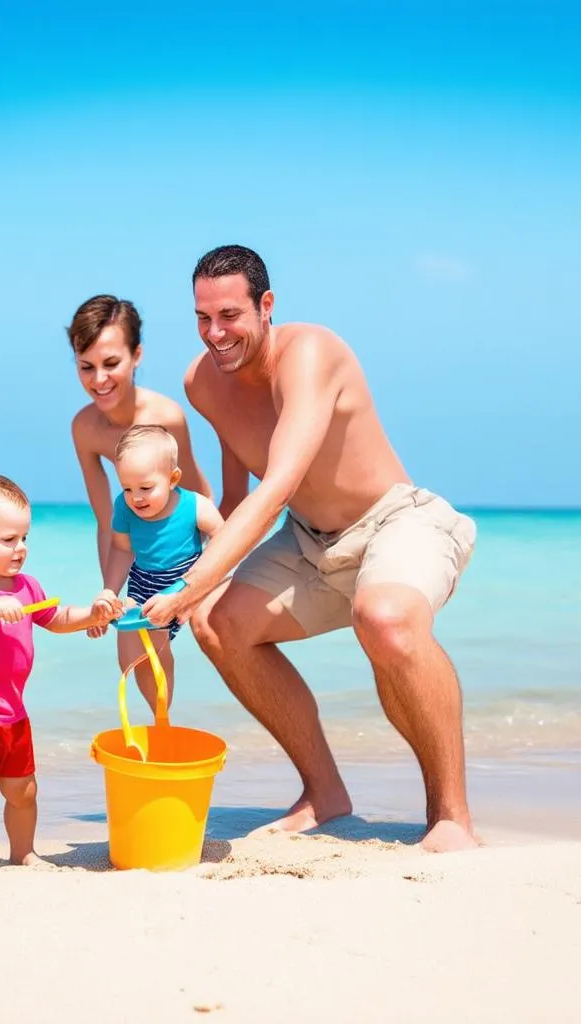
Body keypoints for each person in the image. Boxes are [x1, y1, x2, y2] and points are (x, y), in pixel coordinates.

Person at [142, 245, 478, 853]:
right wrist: (202, 582)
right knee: (216, 623)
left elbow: (276, 488)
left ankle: (450, 816)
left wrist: (188, 585)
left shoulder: (311, 354)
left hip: (395, 521)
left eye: (230, 315)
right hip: (309, 539)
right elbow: (238, 483)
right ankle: (324, 794)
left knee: (386, 620)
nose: (215, 333)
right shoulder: (202, 382)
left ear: (266, 306)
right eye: (201, 317)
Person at [0, 473, 120, 876]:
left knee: (24, 791)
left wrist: (93, 613)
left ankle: (23, 854)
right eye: (8, 540)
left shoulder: (27, 586)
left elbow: (56, 617)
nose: (20, 549)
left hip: (13, 713)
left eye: (24, 538)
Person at [68, 294, 216, 706]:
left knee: (203, 634)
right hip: (140, 560)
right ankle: (162, 726)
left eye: (111, 363)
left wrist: (198, 584)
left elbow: (197, 496)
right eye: (86, 366)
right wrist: (109, 595)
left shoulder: (166, 417)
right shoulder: (85, 429)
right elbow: (107, 521)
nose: (99, 379)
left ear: (137, 355)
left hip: (189, 553)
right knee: (130, 654)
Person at [95, 425, 223, 707]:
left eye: (146, 487)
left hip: (183, 582)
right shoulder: (125, 507)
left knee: (156, 644)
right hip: (142, 581)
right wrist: (109, 590)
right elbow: (121, 548)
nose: (136, 497)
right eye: (127, 488)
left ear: (172, 478)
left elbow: (223, 538)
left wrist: (199, 586)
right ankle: (158, 713)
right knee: (128, 648)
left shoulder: (194, 506)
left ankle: (163, 709)